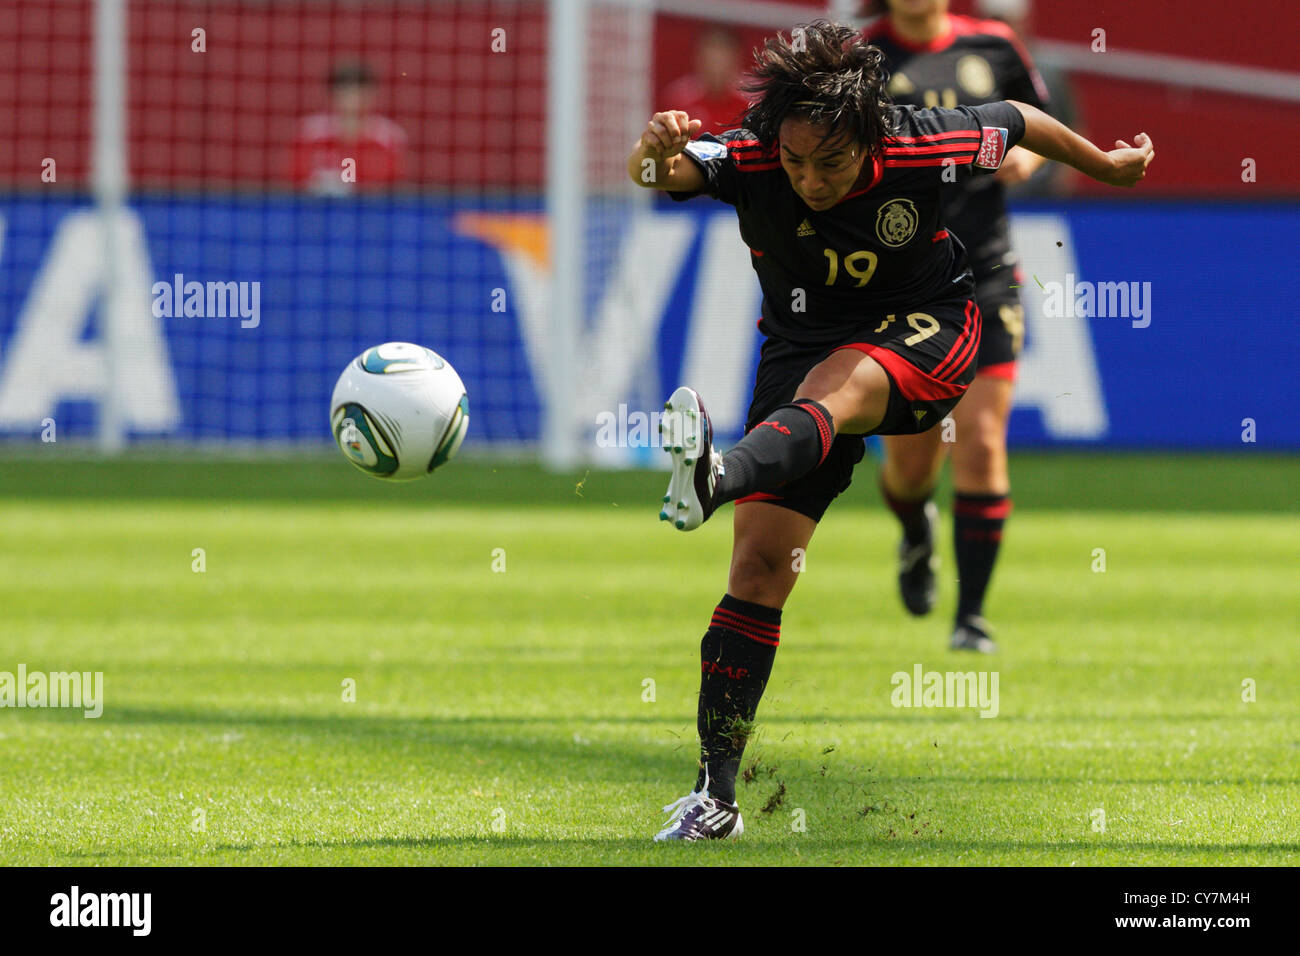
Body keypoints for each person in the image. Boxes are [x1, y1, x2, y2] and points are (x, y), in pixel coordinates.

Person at [626, 19, 1152, 841]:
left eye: (829, 162)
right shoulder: (756, 156)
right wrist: (654, 148)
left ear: (868, 139)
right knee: (759, 567)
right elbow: (666, 172)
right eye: (796, 162)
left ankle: (717, 479)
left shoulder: (920, 143)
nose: (809, 179)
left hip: (929, 326)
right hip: (800, 341)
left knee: (843, 388)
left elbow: (1018, 117)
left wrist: (1107, 166)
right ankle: (715, 797)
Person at [861, 0, 1053, 652]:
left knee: (981, 439)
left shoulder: (996, 46)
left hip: (987, 273)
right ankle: (916, 529)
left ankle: (970, 618)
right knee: (911, 468)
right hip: (901, 283)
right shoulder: (860, 56)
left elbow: (1037, 125)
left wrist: (1024, 161)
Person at [290, 62, 406, 194]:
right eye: (346, 91)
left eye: (359, 91)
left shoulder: (389, 136)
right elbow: (295, 180)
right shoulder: (310, 133)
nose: (353, 99)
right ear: (332, 94)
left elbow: (393, 185)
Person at [660, 27, 753, 138]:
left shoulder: (754, 100)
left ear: (737, 58)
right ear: (698, 57)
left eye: (722, 58)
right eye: (711, 58)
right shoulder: (677, 98)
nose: (716, 66)